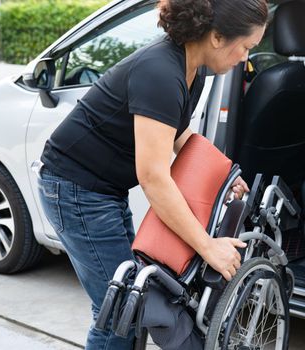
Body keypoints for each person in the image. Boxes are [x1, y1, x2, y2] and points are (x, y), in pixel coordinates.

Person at [35, 0, 268, 348]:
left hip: (102, 190)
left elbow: (177, 134)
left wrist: (220, 172)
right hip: (74, 190)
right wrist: (208, 248)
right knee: (119, 312)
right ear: (217, 37)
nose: (245, 59)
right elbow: (154, 179)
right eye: (246, 47)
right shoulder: (160, 72)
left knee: (130, 302)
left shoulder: (193, 70)